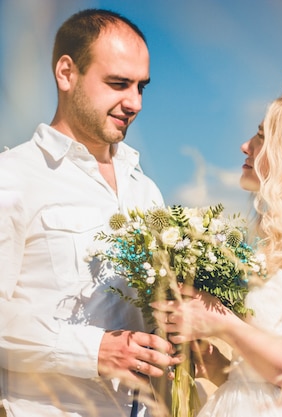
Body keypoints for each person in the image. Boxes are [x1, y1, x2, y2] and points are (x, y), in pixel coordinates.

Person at [152, 64, 282, 416]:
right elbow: (264, 390)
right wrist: (216, 364)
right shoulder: (278, 238)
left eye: (262, 136)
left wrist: (224, 324)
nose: (245, 145)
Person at [0, 9, 180, 417]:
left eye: (141, 87)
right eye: (118, 83)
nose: (134, 102)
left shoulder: (147, 191)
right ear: (67, 73)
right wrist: (93, 350)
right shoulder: (10, 177)